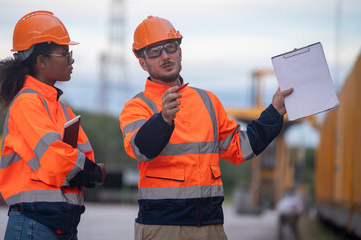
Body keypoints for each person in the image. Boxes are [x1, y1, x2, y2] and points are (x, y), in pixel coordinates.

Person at [119, 15, 293, 240]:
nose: (165, 56)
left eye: (170, 47)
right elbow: (141, 150)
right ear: (142, 62)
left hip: (211, 228)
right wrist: (162, 120)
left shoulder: (208, 101)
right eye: (154, 51)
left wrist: (275, 112)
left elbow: (243, 148)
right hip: (163, 229)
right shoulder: (137, 107)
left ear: (180, 52)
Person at [0, 11, 106, 240]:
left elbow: (85, 156)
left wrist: (87, 170)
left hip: (62, 225)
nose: (71, 60)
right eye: (65, 53)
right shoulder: (26, 103)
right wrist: (88, 171)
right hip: (34, 224)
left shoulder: (61, 108)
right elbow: (56, 158)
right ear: (41, 61)